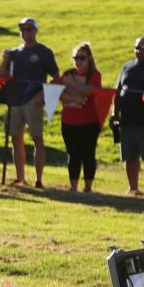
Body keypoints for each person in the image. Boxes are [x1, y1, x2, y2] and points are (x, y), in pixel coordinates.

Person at [0, 17, 59, 187]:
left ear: (35, 31)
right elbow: (2, 76)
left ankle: (39, 180)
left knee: (37, 139)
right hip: (15, 100)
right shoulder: (14, 52)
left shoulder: (44, 52)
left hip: (34, 101)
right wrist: (4, 59)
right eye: (23, 29)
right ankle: (20, 178)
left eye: (29, 29)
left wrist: (43, 93)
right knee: (16, 140)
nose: (26, 32)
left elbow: (57, 77)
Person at [114, 36, 144, 195]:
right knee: (129, 156)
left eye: (143, 47)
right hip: (127, 120)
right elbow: (118, 91)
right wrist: (115, 113)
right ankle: (133, 187)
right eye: (136, 47)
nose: (138, 51)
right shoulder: (127, 66)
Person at [58, 43, 103, 192]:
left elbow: (89, 92)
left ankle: (88, 187)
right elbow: (59, 93)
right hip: (68, 121)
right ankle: (73, 186)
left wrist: (71, 84)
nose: (78, 61)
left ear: (89, 59)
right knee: (73, 154)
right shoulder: (67, 73)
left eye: (82, 58)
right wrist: (77, 99)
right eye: (75, 58)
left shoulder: (94, 75)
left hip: (89, 121)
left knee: (88, 154)